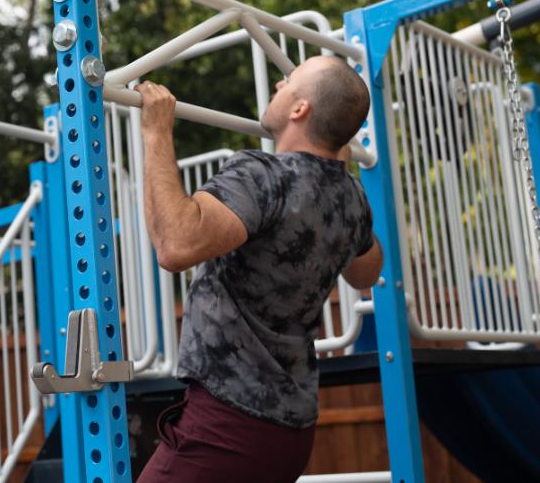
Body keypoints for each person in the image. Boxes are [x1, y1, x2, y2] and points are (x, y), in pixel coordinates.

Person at [134, 55, 383, 483]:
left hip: (227, 425)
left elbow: (175, 246)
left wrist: (157, 132)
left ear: (299, 109)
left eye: (288, 82)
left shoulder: (263, 175)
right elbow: (365, 274)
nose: (279, 84)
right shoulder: (351, 198)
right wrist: (338, 169)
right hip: (291, 431)